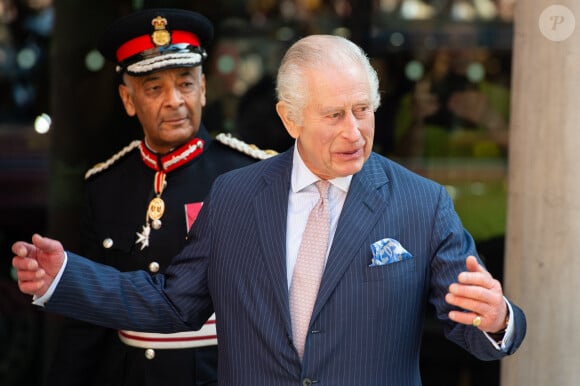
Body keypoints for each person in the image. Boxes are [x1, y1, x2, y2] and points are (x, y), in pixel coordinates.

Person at [13, 34, 526, 385]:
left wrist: (497, 318)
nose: (354, 131)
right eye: (333, 115)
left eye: (363, 109)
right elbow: (174, 305)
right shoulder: (235, 196)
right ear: (290, 118)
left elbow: (477, 332)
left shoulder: (423, 203)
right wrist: (65, 278)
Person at [42, 8, 274, 386]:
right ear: (128, 99)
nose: (174, 101)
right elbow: (87, 322)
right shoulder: (105, 184)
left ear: (203, 88)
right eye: (154, 88)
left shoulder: (247, 175)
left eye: (185, 84)